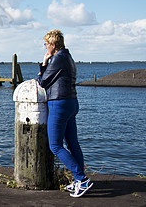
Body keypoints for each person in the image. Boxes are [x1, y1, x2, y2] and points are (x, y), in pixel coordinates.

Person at [36, 30, 93, 198]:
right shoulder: (68, 57)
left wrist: (44, 64)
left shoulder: (57, 59)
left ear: (53, 45)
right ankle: (79, 180)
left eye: (46, 44)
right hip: (71, 102)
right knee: (72, 143)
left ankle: (81, 180)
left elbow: (43, 82)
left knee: (55, 146)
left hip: (59, 104)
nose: (45, 46)